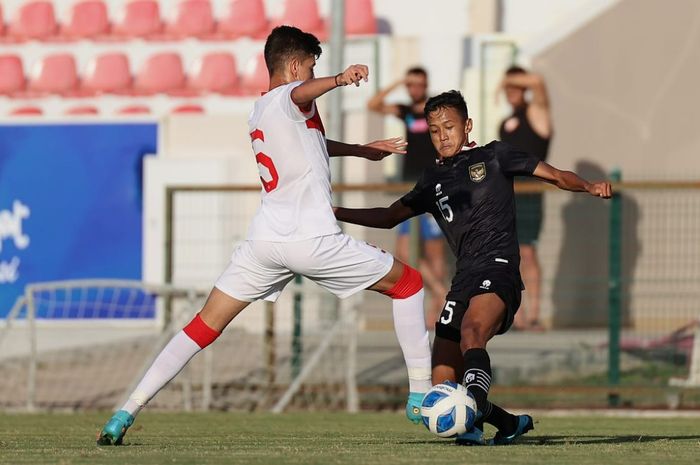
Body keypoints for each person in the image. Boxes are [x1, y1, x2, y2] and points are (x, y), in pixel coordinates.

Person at [97, 26, 433, 446]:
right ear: (295, 66)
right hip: (310, 238)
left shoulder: (260, 109)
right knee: (408, 283)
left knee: (203, 325)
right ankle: (421, 393)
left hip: (263, 244)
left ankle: (126, 410)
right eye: (311, 65)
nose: (313, 72)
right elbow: (299, 95)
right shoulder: (288, 98)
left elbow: (309, 141)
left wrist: (361, 150)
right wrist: (340, 79)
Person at [334, 90, 611, 445]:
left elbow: (555, 175)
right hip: (463, 277)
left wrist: (588, 186)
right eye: (434, 130)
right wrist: (337, 213)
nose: (442, 136)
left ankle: (473, 413)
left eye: (449, 127)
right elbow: (389, 217)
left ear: (467, 126)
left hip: (499, 268)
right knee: (442, 381)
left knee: (472, 332)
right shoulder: (432, 179)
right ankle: (506, 423)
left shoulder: (496, 156)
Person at [367, 67, 447, 327]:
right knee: (405, 249)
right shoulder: (406, 111)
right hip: (410, 188)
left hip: (433, 186)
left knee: (435, 251)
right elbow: (374, 104)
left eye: (419, 84)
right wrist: (399, 80)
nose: (415, 89)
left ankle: (440, 307)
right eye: (411, 85)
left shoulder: (435, 109)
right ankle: (439, 292)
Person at [498, 66, 553, 331]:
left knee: (529, 252)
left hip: (530, 193)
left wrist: (506, 79)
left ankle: (534, 314)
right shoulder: (505, 123)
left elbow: (538, 80)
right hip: (507, 193)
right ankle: (515, 316)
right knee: (511, 254)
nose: (510, 91)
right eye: (508, 88)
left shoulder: (536, 113)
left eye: (515, 86)